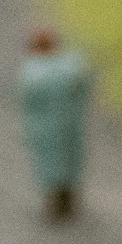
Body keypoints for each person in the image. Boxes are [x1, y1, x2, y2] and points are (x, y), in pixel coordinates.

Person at [18, 28, 94, 221]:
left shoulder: (32, 71)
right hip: (67, 125)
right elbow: (83, 81)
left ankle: (56, 200)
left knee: (51, 163)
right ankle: (65, 198)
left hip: (46, 128)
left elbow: (28, 100)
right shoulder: (68, 66)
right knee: (68, 161)